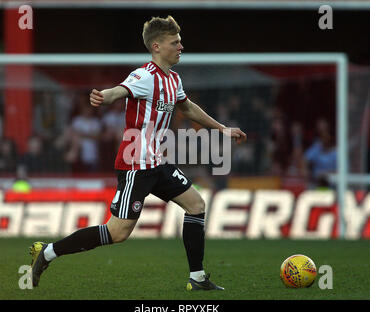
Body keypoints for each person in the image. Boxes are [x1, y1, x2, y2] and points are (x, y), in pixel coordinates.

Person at [29, 16, 246, 291]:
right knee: (117, 233)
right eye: (175, 42)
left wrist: (221, 129)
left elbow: (188, 108)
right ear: (156, 46)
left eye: (180, 41)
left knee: (196, 205)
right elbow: (119, 91)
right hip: (136, 164)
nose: (181, 46)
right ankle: (48, 252)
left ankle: (198, 278)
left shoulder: (173, 79)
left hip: (159, 162)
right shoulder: (144, 76)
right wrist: (104, 96)